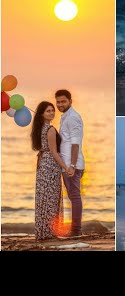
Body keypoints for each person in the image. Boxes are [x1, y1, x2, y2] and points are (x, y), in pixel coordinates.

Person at [31, 101, 69, 240]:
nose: (52, 113)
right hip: (50, 165)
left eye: (52, 110)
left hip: (42, 165)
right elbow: (54, 152)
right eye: (48, 111)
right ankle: (50, 232)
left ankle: (43, 231)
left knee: (44, 198)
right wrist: (66, 167)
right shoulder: (50, 129)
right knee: (51, 198)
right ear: (41, 114)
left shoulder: (38, 128)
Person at [55, 89, 85, 237]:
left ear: (70, 101)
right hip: (66, 165)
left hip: (72, 165)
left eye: (63, 101)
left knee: (74, 196)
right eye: (58, 102)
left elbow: (75, 144)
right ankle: (75, 229)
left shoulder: (73, 117)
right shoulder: (65, 117)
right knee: (73, 196)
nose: (60, 104)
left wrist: (72, 166)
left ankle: (76, 230)